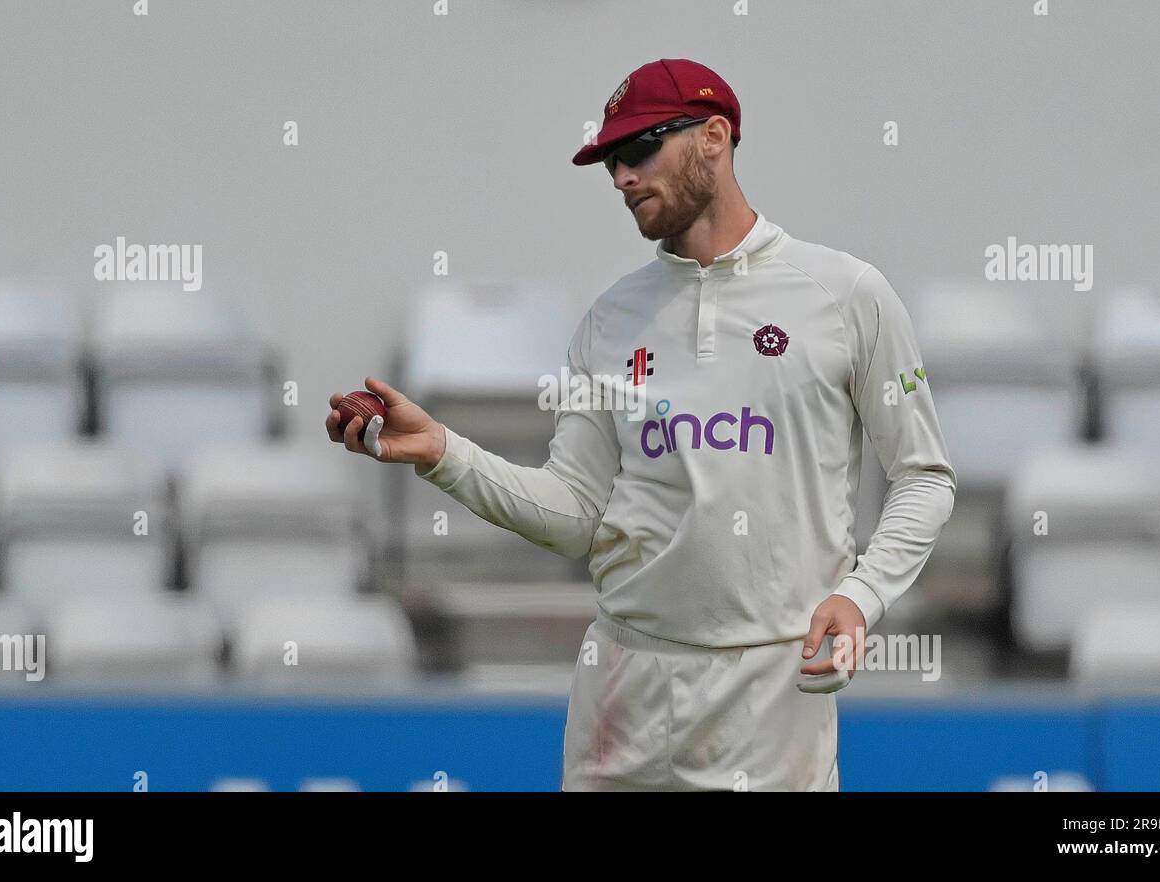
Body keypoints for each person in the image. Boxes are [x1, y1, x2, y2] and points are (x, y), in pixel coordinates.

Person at [327, 58, 956, 791]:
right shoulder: (611, 319)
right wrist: (443, 452)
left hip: (773, 697)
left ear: (714, 137)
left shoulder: (846, 294)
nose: (621, 176)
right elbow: (574, 514)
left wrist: (860, 596)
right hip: (622, 690)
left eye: (639, 151)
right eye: (611, 162)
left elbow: (924, 475)